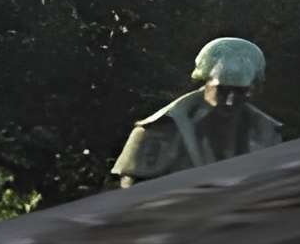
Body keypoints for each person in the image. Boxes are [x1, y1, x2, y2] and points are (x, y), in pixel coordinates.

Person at [112, 37, 283, 187]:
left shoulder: (266, 132)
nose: (230, 101)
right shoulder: (160, 129)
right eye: (222, 91)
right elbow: (131, 195)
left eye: (240, 92)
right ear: (206, 84)